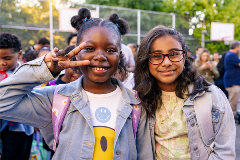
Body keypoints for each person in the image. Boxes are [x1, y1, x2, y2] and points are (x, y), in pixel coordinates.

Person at [0, 8, 153, 160]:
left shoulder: (137, 104)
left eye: (110, 49)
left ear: (120, 55)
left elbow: (145, 155)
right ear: (76, 52)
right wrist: (43, 69)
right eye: (90, 48)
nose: (100, 56)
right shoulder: (56, 99)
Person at [134, 26, 235, 159]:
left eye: (174, 54)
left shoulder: (212, 96)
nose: (166, 62)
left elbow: (225, 152)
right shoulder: (140, 100)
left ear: (184, 56)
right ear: (146, 60)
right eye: (157, 56)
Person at [0, 32, 34, 160]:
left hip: (27, 129)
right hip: (7, 131)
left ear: (19, 54)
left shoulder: (27, 72)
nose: (2, 63)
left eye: (7, 58)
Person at [224, 41, 240, 117]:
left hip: (231, 80)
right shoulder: (232, 55)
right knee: (232, 101)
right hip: (232, 81)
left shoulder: (231, 54)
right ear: (237, 47)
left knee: (233, 100)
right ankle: (231, 117)